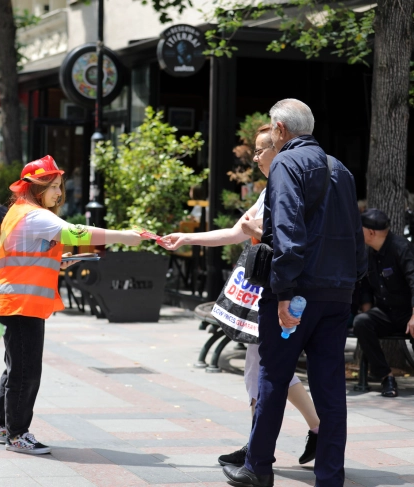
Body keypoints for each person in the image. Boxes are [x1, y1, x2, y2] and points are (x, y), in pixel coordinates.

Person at [222, 99, 366, 487]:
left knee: (273, 374)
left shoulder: (286, 162)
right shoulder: (342, 168)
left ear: (281, 130)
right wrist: (354, 282)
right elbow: (356, 232)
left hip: (298, 289)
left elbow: (286, 229)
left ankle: (258, 467)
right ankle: (329, 477)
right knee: (331, 386)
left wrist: (283, 291)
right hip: (338, 292)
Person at [161, 124, 320, 467]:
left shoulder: (288, 184)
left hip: (280, 290)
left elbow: (285, 237)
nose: (257, 159)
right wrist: (187, 239)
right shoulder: (271, 188)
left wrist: (254, 231)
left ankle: (267, 444)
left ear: (278, 148)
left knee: (263, 367)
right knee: (264, 366)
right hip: (267, 288)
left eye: (261, 151)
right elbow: (236, 233)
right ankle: (276, 439)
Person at [0, 155, 146, 454]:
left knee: (16, 367)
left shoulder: (20, 211)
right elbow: (76, 232)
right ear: (36, 187)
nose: (59, 192)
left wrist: (57, 260)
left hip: (13, 301)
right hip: (21, 304)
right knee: (25, 371)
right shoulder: (35, 215)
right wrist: (124, 237)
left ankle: (0, 423)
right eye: (54, 186)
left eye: (60, 186)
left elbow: (31, 251)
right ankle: (17, 434)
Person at [353, 208, 414, 398]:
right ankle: (386, 377)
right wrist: (367, 310)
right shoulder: (370, 253)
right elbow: (365, 287)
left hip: (408, 313)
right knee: (362, 322)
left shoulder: (401, 248)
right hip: (386, 313)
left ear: (371, 232)